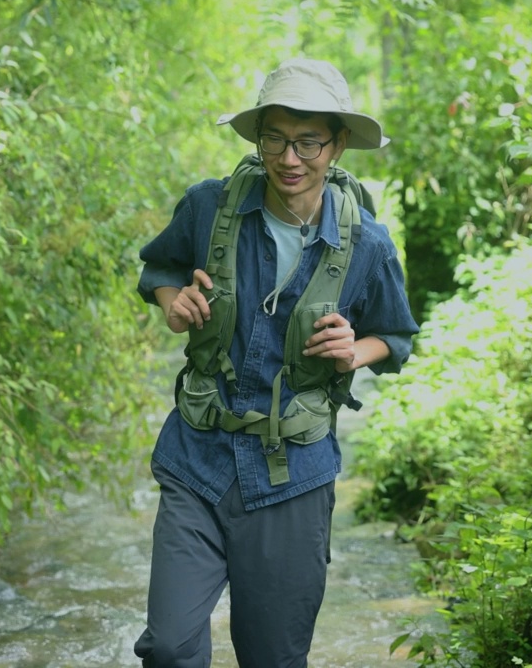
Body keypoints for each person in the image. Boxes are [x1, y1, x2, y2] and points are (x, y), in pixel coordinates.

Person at [133, 57, 419, 668]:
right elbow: (159, 268)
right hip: (197, 458)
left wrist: (353, 350)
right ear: (258, 139)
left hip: (295, 472)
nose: (290, 158)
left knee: (273, 657)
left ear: (338, 144)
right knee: (169, 648)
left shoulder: (368, 242)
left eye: (308, 141)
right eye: (276, 139)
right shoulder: (208, 207)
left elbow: (394, 337)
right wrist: (172, 302)